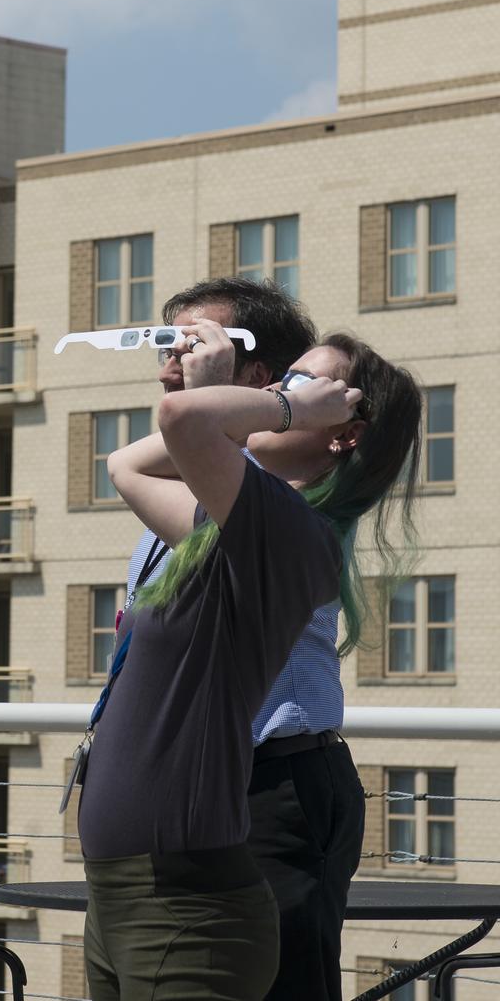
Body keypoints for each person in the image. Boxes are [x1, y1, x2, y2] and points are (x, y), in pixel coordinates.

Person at [78, 324, 421, 1000]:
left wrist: (279, 408)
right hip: (123, 891)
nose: (271, 391)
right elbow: (128, 465)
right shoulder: (230, 529)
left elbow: (182, 419)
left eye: (296, 379)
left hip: (184, 907)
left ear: (344, 429)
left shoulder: (297, 537)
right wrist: (272, 406)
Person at [128, 278, 365, 1001]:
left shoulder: (282, 515)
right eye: (169, 346)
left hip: (274, 784)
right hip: (203, 786)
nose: (171, 364)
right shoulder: (217, 488)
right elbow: (141, 455)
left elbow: (184, 423)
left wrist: (272, 403)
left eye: (193, 346)